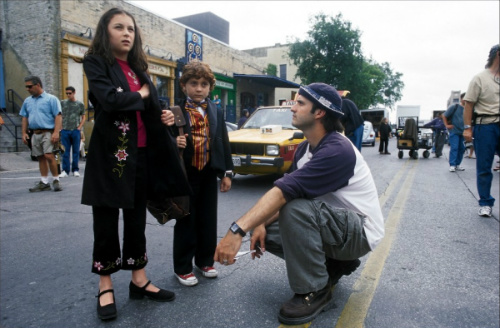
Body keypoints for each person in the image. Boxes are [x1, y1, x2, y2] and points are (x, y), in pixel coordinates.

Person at [214, 83, 385, 325]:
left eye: (300, 103)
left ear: (320, 112)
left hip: (359, 233)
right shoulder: (305, 149)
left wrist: (236, 230)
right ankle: (333, 264)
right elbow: (283, 194)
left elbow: (285, 194)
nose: (292, 107)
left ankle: (314, 291)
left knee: (294, 210)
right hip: (335, 226)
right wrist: (258, 224)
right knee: (265, 228)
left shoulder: (338, 150)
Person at [81, 8, 191, 321]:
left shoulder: (138, 68)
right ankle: (105, 285)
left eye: (131, 28)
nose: (127, 33)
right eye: (119, 27)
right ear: (107, 32)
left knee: (135, 221)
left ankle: (138, 280)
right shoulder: (96, 63)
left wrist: (164, 115)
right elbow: (109, 100)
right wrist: (141, 94)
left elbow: (149, 106)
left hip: (142, 153)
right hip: (110, 156)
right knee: (105, 221)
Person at [173, 60, 233, 286]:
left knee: (208, 219)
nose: (199, 88)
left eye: (204, 84)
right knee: (186, 220)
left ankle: (205, 261)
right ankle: (183, 267)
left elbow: (223, 142)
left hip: (208, 172)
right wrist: (173, 141)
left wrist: (227, 173)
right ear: (184, 85)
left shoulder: (216, 110)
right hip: (185, 174)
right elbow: (160, 141)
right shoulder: (175, 111)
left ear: (210, 87)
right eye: (193, 83)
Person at [463, 44, 500, 217]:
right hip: (485, 126)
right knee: (485, 166)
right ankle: (485, 202)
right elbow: (468, 104)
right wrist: (468, 128)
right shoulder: (479, 78)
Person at [20, 75, 63, 192]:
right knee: (40, 157)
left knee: (49, 155)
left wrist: (56, 132)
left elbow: (58, 116)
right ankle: (44, 182)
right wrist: (24, 132)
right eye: (26, 87)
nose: (27, 89)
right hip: (35, 133)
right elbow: (24, 117)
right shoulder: (27, 101)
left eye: (29, 86)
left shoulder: (51, 99)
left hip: (48, 132)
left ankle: (56, 179)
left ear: (37, 85)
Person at [59, 86, 85, 178]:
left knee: (76, 151)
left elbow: (83, 116)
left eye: (70, 93)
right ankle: (65, 170)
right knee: (65, 151)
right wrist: (61, 127)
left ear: (74, 93)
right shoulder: (63, 103)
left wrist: (79, 127)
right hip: (65, 130)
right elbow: (59, 115)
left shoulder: (79, 104)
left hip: (75, 130)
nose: (68, 95)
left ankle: (75, 169)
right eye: (67, 93)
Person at [443, 93, 466, 172]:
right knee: (454, 148)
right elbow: (444, 115)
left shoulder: (469, 109)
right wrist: (446, 125)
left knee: (462, 149)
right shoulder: (455, 106)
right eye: (465, 98)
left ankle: (457, 164)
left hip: (463, 132)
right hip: (454, 131)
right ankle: (452, 165)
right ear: (461, 99)